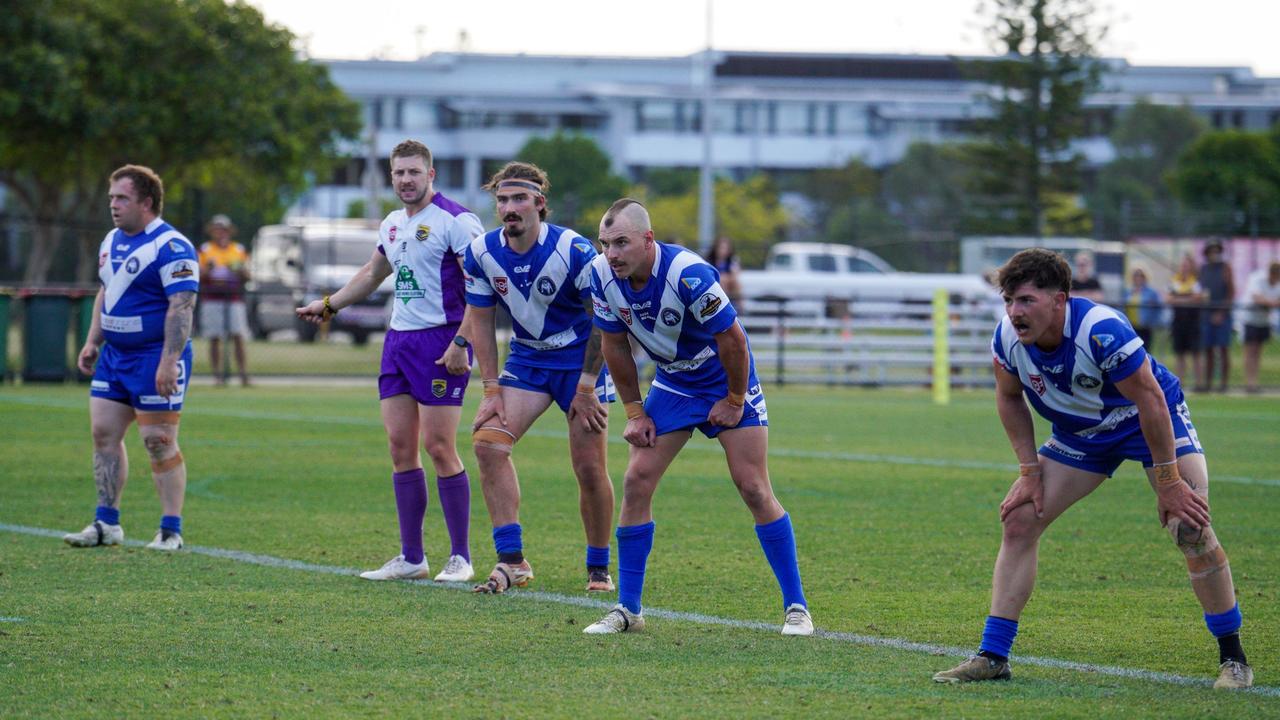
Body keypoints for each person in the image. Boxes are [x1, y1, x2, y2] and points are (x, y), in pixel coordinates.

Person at [932, 248, 1253, 690]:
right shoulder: (1006, 337)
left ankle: (1234, 660)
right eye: (1009, 301)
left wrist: (1168, 482)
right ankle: (993, 656)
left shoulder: (1100, 329)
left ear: (1059, 299)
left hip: (1149, 421)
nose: (1014, 311)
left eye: (1026, 300)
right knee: (1021, 518)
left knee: (1189, 527)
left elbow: (1151, 401)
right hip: (1082, 432)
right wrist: (1029, 472)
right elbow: (1008, 397)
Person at [581, 198, 813, 636]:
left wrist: (734, 398)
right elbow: (613, 345)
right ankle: (628, 609)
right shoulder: (600, 275)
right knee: (636, 481)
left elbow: (734, 341)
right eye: (605, 243)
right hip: (673, 382)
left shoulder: (688, 273)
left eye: (622, 243)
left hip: (724, 375)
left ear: (648, 240)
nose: (611, 253)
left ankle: (797, 607)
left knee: (753, 487)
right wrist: (634, 412)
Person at [296, 140, 483, 583]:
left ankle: (460, 556)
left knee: (439, 447)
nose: (405, 180)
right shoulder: (393, 224)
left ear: (431, 175)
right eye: (399, 173)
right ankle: (412, 557)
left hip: (442, 341)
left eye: (414, 172)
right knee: (401, 448)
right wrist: (330, 304)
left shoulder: (457, 221)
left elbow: (481, 287)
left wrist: (462, 341)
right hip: (398, 342)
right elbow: (373, 273)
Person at [440, 162, 616, 595]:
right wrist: (491, 389)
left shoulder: (574, 251)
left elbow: (604, 321)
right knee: (487, 444)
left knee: (589, 467)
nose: (509, 208)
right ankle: (512, 560)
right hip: (528, 363)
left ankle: (598, 566)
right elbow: (480, 321)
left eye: (519, 199)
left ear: (540, 204)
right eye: (502, 200)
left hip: (581, 366)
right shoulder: (481, 252)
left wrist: (587, 386)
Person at [64, 164, 199, 552]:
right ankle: (107, 524)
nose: (114, 205)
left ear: (147, 202)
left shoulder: (173, 246)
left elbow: (182, 306)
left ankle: (170, 530)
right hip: (115, 356)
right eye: (111, 198)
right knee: (103, 434)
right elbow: (106, 292)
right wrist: (93, 341)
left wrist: (168, 361)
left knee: (158, 440)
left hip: (154, 356)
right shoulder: (110, 240)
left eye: (122, 198)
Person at [197, 214, 251, 386]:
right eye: (217, 229)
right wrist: (208, 269)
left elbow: (248, 275)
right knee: (215, 337)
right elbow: (198, 275)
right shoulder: (205, 250)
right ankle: (218, 376)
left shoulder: (238, 250)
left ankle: (243, 375)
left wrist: (239, 270)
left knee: (238, 336)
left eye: (223, 229)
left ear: (229, 231)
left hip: (233, 297)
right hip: (212, 297)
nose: (220, 233)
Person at [1198, 239, 1235, 393]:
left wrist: (1222, 313)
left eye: (1217, 251)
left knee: (1223, 349)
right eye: (1211, 251)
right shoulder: (1203, 269)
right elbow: (1200, 291)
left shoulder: (1226, 268)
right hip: (1206, 314)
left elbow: (1231, 293)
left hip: (1223, 315)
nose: (1214, 254)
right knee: (1208, 349)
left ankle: (1223, 384)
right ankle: (1208, 383)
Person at [1241, 261, 1280, 394]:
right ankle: (1249, 383)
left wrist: (1270, 303)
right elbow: (1256, 297)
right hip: (1250, 318)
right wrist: (1272, 303)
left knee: (1258, 352)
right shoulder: (1257, 278)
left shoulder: (1278, 283)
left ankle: (1255, 382)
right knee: (1250, 351)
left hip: (1264, 320)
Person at [1165, 253, 1204, 386]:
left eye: (1187, 265)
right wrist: (1188, 299)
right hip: (1178, 322)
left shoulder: (1196, 282)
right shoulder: (1174, 281)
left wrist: (1179, 299)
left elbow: (1198, 298)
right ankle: (1180, 383)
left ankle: (1199, 384)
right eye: (1183, 265)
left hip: (1193, 322)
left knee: (1196, 353)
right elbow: (1168, 299)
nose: (1184, 268)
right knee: (1179, 354)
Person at [1121, 267, 1162, 348]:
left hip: (1145, 327)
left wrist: (1154, 322)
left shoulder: (1151, 292)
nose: (1138, 277)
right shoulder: (1127, 292)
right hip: (1130, 327)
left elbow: (1158, 309)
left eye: (1141, 275)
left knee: (1145, 350)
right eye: (1136, 275)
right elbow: (1122, 307)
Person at [705, 236, 742, 308]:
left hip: (729, 284)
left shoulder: (732, 260)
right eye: (721, 248)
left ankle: (740, 307)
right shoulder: (710, 260)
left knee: (735, 282)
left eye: (725, 248)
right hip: (714, 284)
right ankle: (723, 306)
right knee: (722, 280)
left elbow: (735, 274)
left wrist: (727, 277)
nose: (723, 251)